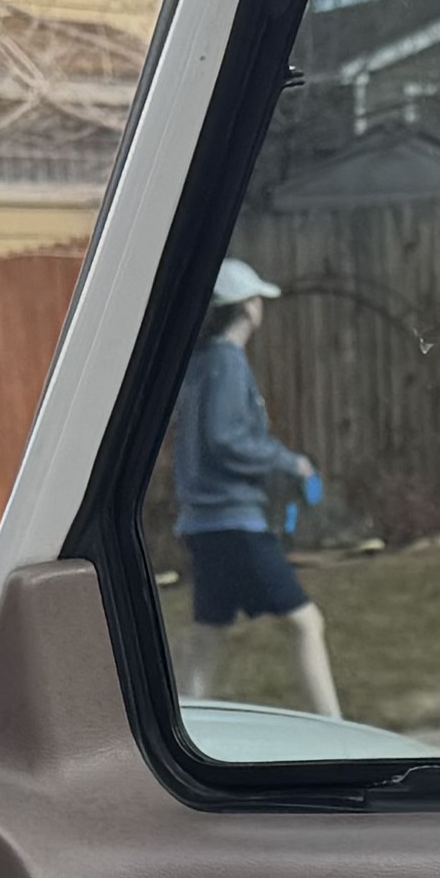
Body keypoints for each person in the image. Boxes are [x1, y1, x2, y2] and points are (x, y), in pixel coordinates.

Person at [172, 257, 338, 716]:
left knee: (208, 636)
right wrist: (292, 463)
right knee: (307, 624)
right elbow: (226, 437)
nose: (261, 306)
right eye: (258, 299)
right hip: (234, 524)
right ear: (247, 307)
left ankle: (183, 732)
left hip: (204, 524)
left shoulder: (200, 365)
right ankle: (336, 733)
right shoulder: (226, 361)